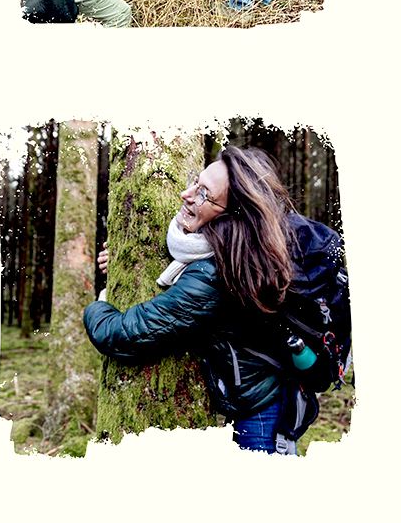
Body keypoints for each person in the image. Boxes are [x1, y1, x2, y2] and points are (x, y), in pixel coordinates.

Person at [84, 146, 313, 454]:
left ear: (233, 212)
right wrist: (126, 264)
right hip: (269, 392)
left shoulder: (217, 273)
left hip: (260, 411)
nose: (185, 194)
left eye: (204, 194)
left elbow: (124, 335)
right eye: (195, 181)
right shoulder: (242, 250)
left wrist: (98, 302)